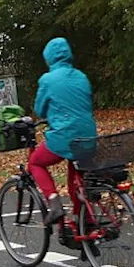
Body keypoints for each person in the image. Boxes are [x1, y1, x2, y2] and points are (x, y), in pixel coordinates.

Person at [31, 37, 97, 227]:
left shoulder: (47, 80)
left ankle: (54, 202)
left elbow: (40, 110)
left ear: (49, 58)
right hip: (88, 136)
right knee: (75, 177)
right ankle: (82, 220)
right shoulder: (81, 77)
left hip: (65, 136)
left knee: (35, 162)